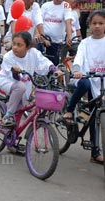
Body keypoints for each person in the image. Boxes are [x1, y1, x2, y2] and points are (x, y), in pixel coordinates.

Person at [61, 9, 105, 164]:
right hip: (87, 79)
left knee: (97, 115)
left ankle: (95, 151)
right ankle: (69, 110)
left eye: (101, 23)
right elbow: (78, 58)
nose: (98, 26)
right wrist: (78, 70)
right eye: (95, 23)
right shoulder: (85, 43)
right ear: (89, 25)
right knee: (86, 85)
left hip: (102, 82)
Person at [0, 31, 62, 127]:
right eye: (14, 44)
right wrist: (15, 72)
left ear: (28, 47)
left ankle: (11, 135)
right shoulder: (8, 57)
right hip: (8, 81)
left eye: (19, 45)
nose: (15, 47)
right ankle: (8, 115)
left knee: (19, 109)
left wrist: (54, 69)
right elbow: (12, 76)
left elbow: (43, 62)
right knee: (20, 88)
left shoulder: (33, 53)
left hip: (24, 84)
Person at [41, 0, 73, 66]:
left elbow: (68, 21)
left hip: (56, 42)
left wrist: (69, 37)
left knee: (55, 64)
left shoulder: (66, 5)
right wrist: (42, 37)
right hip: (44, 39)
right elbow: (39, 22)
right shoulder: (45, 5)